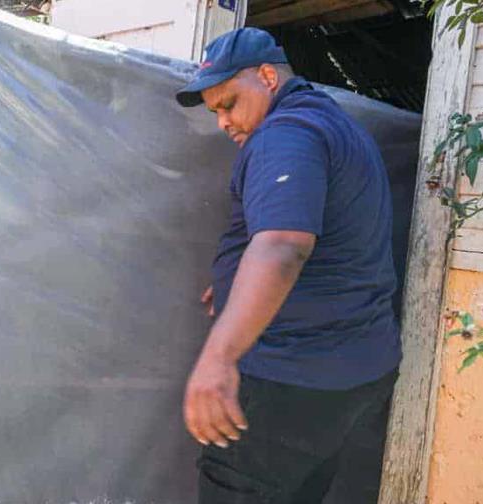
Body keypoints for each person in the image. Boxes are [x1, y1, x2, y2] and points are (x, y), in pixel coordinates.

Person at [175, 28, 401, 503]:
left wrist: (219, 358)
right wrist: (239, 283)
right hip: (351, 374)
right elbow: (328, 240)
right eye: (216, 110)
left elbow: (281, 246)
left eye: (230, 103)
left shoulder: (286, 135)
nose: (223, 123)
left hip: (291, 378)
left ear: (267, 76)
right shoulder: (332, 125)